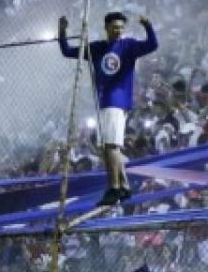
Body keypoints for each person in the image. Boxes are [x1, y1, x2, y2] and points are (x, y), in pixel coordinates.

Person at [58, 12, 158, 207]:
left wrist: (148, 25)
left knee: (110, 147)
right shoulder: (97, 48)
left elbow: (152, 44)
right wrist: (62, 32)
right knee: (111, 148)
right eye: (114, 27)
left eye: (121, 27)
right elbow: (68, 51)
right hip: (104, 101)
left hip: (116, 100)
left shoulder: (128, 45)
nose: (118, 30)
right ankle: (124, 186)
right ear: (106, 28)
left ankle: (113, 188)